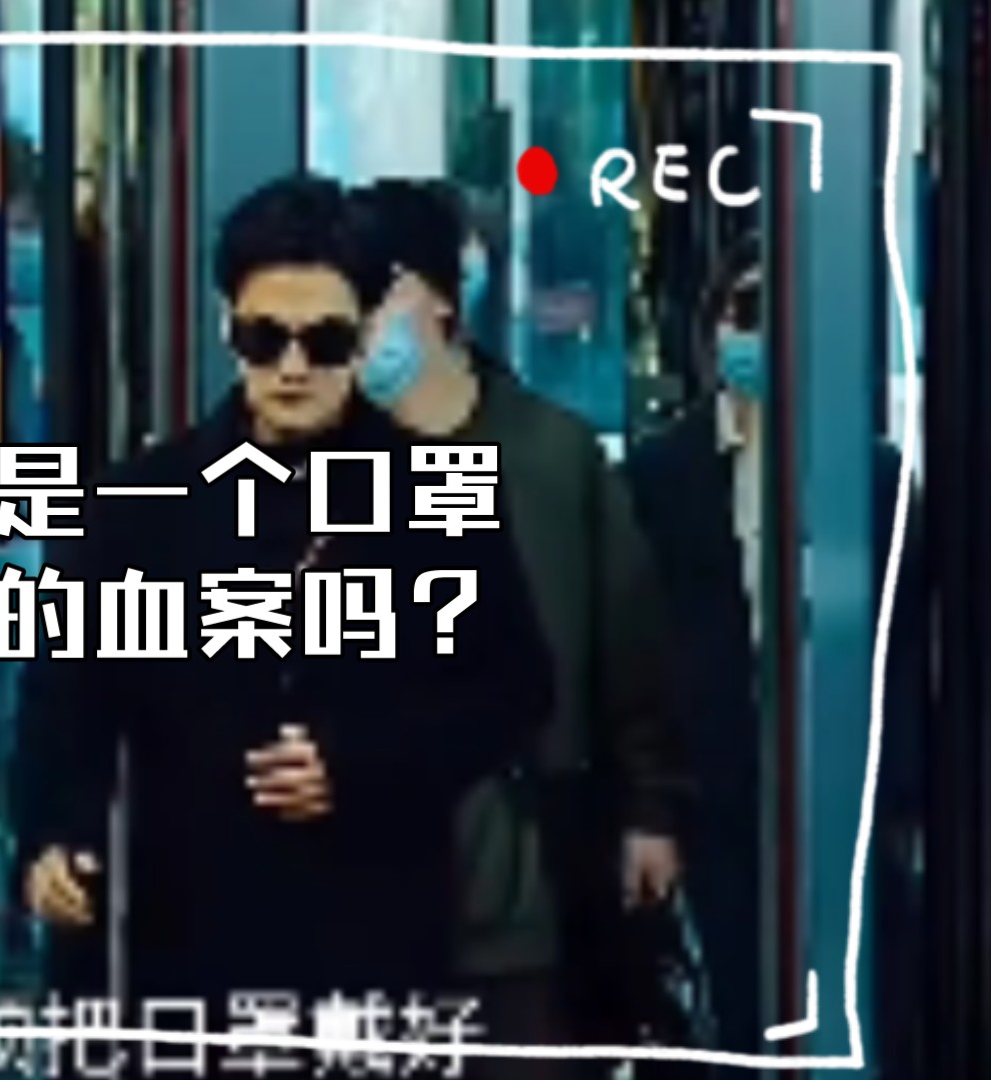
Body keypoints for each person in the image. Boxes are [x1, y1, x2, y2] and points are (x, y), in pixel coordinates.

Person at [12, 173, 557, 1062]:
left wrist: (358, 762)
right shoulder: (142, 503)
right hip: (188, 941)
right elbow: (67, 698)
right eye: (266, 339)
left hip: (375, 934)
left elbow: (514, 689)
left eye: (325, 340)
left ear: (366, 333)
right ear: (227, 327)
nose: (294, 368)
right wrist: (53, 838)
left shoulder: (435, 495)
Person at [348, 179, 689, 1077]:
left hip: (532, 878)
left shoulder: (550, 455)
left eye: (374, 294)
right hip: (372, 885)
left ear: (439, 297)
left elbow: (628, 646)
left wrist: (650, 810)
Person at [620, 231, 927, 1063]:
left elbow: (905, 650)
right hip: (712, 795)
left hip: (840, 799)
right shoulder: (659, 478)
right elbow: (634, 657)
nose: (760, 335)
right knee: (736, 1008)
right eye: (746, 310)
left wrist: (899, 796)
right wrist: (650, 811)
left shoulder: (874, 478)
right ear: (713, 324)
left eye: (785, 314)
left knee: (858, 1009)